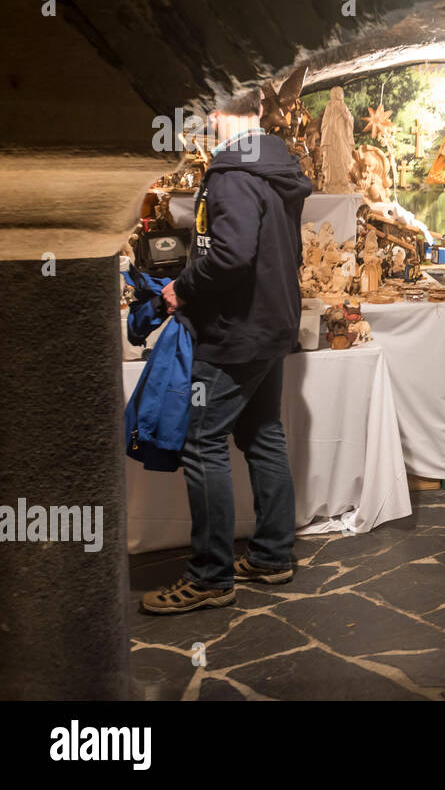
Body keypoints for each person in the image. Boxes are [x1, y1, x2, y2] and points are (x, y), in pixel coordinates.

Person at [142, 120, 313, 614]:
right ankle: (272, 555)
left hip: (237, 332)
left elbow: (233, 255)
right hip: (269, 325)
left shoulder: (233, 175)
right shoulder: (273, 170)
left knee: (201, 442)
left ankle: (211, 577)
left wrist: (184, 287)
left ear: (224, 120)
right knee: (262, 433)